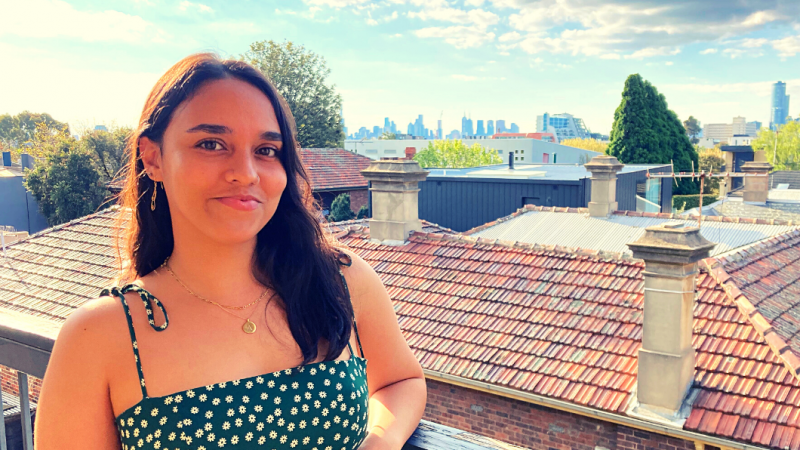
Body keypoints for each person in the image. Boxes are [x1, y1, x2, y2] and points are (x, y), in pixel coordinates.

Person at [35, 53, 426, 449]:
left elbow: (402, 380)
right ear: (152, 158)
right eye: (211, 144)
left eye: (266, 150)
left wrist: (381, 441)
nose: (246, 172)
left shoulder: (339, 280)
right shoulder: (99, 336)